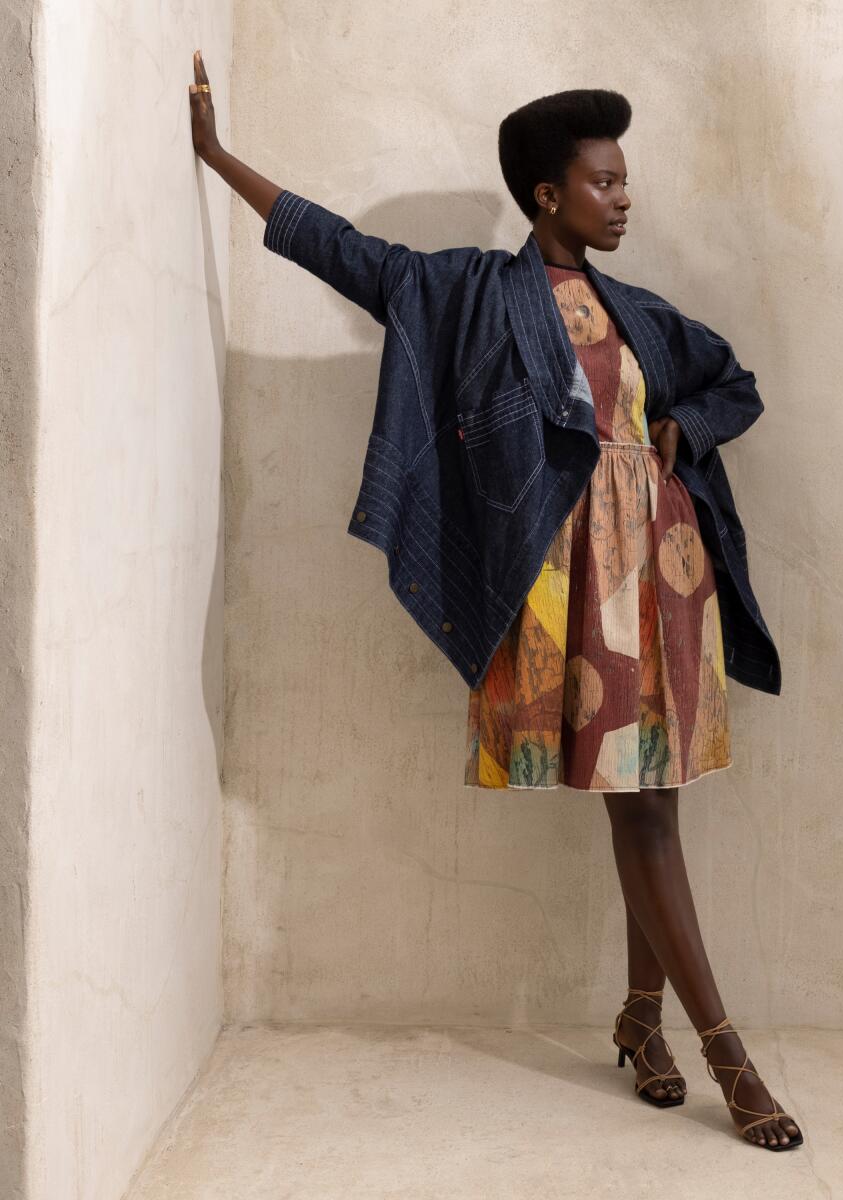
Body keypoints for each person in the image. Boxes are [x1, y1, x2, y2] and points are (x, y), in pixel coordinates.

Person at [190, 50, 802, 1151]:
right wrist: (219, 155)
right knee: (646, 811)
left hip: (663, 580)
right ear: (546, 196)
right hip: (569, 588)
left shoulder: (644, 314)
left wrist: (683, 428)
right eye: (603, 183)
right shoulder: (472, 290)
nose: (624, 197)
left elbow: (734, 384)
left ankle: (640, 1020)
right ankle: (727, 1054)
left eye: (624, 180)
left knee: (651, 798)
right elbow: (347, 252)